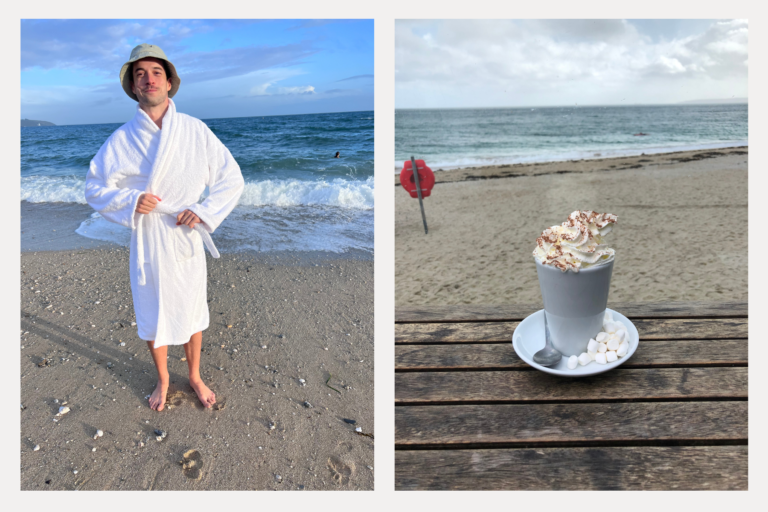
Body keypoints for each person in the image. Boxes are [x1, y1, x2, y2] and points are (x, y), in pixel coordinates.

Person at [85, 44, 245, 411]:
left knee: (191, 306)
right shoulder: (122, 139)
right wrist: (130, 201)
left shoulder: (195, 130)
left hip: (184, 234)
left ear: (169, 82)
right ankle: (163, 378)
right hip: (149, 236)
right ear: (133, 86)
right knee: (150, 308)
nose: (149, 79)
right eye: (140, 74)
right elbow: (94, 187)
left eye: (156, 72)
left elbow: (231, 178)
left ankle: (195, 375)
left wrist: (203, 211)